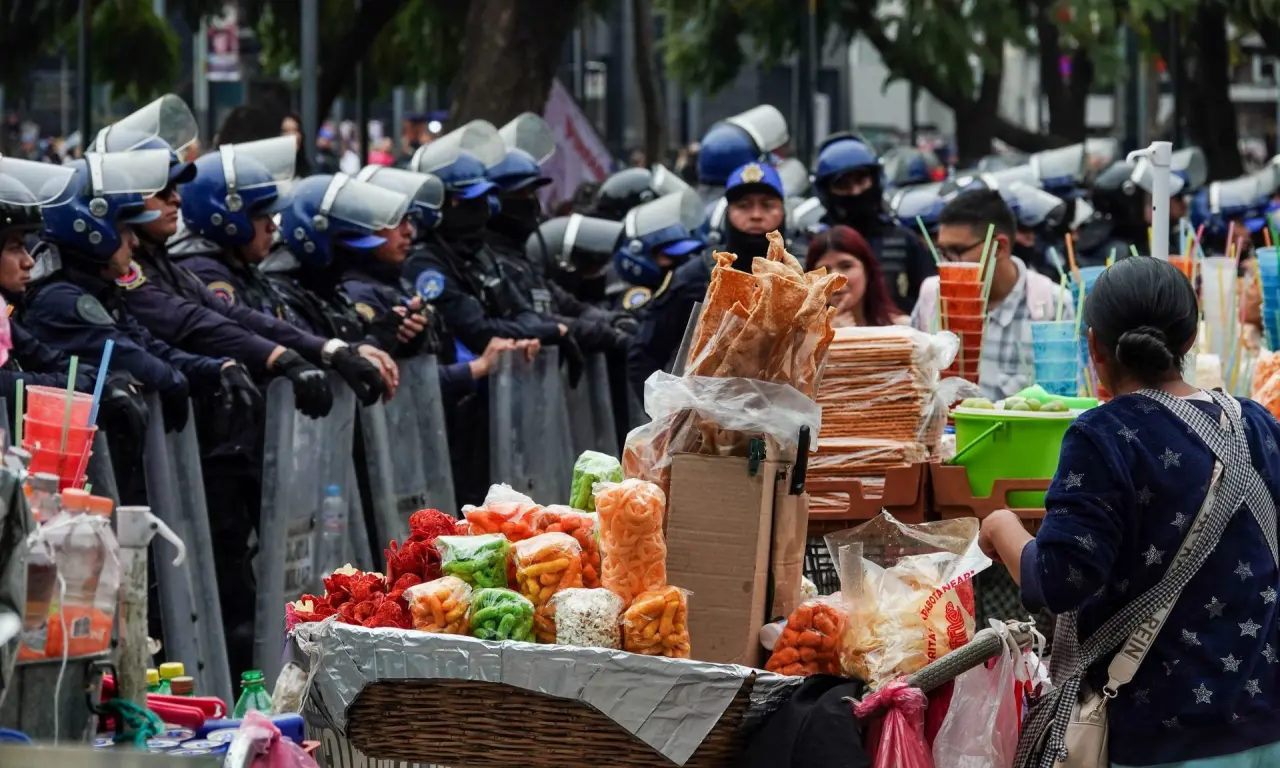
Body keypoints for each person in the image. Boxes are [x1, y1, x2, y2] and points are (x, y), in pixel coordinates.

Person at [979, 256, 1280, 768]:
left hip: (1160, 739)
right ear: (1189, 341)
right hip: (1266, 727)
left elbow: (1056, 581)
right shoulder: (1254, 421)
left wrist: (1001, 526)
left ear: (1093, 345)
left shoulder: (1102, 436)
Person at [26, 149, 228, 433]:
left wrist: (216, 368)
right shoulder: (62, 300)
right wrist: (176, 383)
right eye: (124, 230)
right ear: (92, 231)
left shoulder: (97, 290)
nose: (134, 242)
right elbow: (135, 359)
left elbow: (148, 345)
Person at [910, 189, 1074, 401]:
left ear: (999, 247)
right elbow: (911, 380)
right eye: (942, 252)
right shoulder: (932, 296)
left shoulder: (1053, 305)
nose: (947, 263)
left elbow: (1065, 402)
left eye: (957, 250)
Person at [813, 133, 936, 314]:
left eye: (860, 181)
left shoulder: (903, 240)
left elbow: (929, 302)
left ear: (875, 180)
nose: (855, 192)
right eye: (843, 185)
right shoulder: (814, 244)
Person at [805, 225, 906, 327]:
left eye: (846, 266)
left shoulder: (902, 329)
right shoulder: (798, 336)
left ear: (867, 271)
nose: (834, 278)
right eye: (824, 270)